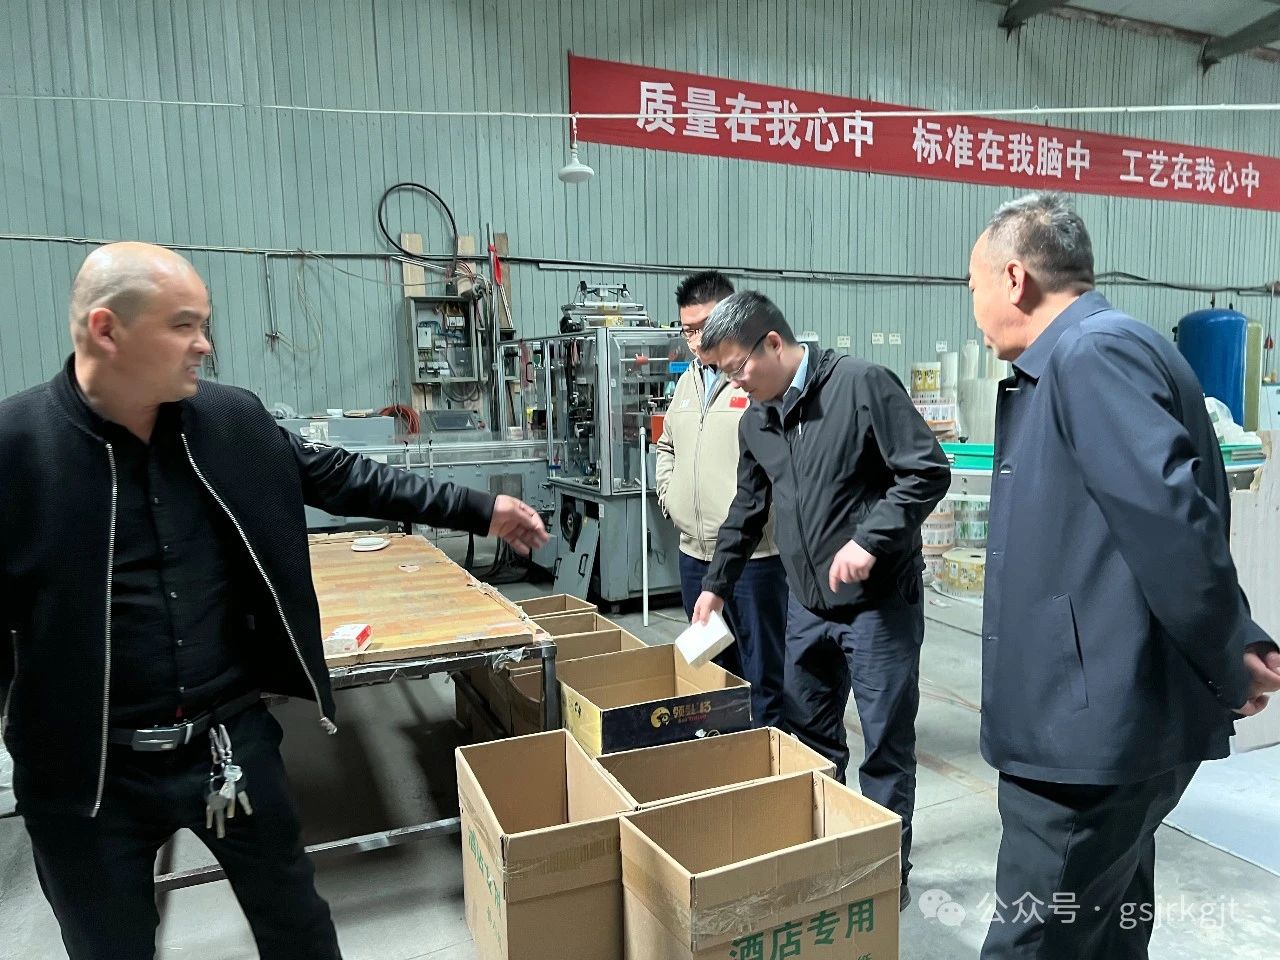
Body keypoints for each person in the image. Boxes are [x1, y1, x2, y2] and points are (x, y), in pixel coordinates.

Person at [0, 242, 548, 960]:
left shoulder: (230, 420)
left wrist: (481, 509)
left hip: (228, 742)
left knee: (299, 930)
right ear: (107, 330)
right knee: (111, 945)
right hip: (86, 773)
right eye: (183, 325)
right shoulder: (16, 450)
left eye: (204, 323)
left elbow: (342, 477)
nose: (205, 344)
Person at [967, 192, 1280, 960]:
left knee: (1038, 938)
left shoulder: (1090, 355)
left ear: (1014, 278)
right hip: (1109, 720)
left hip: (1085, 735)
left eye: (972, 285)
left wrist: (1227, 650)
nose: (973, 308)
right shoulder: (1099, 352)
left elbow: (1169, 521)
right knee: (1106, 926)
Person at [690, 291, 950, 910]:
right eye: (722, 373)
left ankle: (883, 877)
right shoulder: (757, 421)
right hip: (807, 605)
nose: (734, 383)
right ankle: (824, 856)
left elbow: (926, 471)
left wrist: (869, 540)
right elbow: (748, 508)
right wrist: (716, 585)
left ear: (773, 343)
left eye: (736, 368)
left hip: (878, 606)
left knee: (885, 747)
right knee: (810, 741)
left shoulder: (861, 386)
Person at [655, 271, 787, 728]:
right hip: (695, 556)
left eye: (705, 326)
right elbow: (666, 445)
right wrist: (669, 495)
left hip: (755, 559)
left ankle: (768, 753)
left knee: (763, 675)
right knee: (712, 672)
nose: (696, 341)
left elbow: (781, 462)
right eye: (687, 330)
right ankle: (724, 748)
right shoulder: (686, 384)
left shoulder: (755, 379)